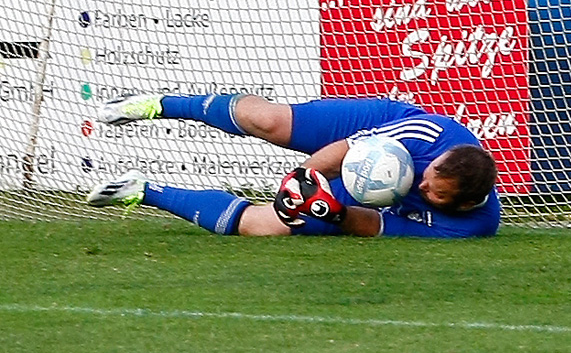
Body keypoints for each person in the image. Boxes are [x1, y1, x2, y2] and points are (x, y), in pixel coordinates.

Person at [85, 93, 501, 238]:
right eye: (427, 178)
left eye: (434, 194)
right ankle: (161, 105)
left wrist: (331, 211)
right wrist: (302, 181)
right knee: (267, 121)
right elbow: (341, 153)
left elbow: (378, 227)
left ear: (463, 204)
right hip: (368, 131)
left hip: (369, 195)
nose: (423, 189)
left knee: (261, 228)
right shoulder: (432, 136)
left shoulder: (470, 226)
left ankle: (143, 190)